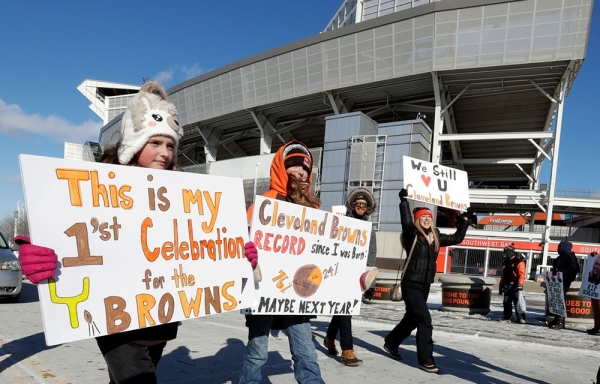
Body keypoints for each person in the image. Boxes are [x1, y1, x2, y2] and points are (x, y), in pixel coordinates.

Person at [16, 81, 259, 384]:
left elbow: (202, 249)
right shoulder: (98, 189)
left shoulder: (188, 199)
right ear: (134, 144)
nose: (164, 153)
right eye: (154, 143)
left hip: (159, 323)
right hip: (116, 325)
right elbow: (65, 228)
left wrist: (235, 253)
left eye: (170, 145)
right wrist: (37, 252)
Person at [240, 140, 324, 384]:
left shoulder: (313, 206)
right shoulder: (265, 201)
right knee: (257, 352)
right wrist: (249, 251)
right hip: (264, 291)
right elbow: (244, 238)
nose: (298, 176)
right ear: (281, 170)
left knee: (306, 351)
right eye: (293, 171)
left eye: (303, 172)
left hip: (298, 293)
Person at [382, 188, 470, 374]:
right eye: (423, 217)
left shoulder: (435, 236)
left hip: (425, 284)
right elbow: (406, 221)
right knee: (425, 320)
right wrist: (404, 201)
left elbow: (457, 237)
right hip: (411, 283)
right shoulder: (411, 234)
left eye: (429, 216)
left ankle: (391, 342)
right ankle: (426, 359)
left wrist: (464, 221)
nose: (427, 219)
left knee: (412, 319)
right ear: (417, 220)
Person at [323, 187, 377, 367]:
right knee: (346, 310)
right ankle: (347, 350)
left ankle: (330, 338)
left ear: (368, 207)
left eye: (364, 204)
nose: (361, 206)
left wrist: (372, 283)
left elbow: (371, 255)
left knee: (343, 310)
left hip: (357, 276)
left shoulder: (370, 229)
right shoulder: (343, 221)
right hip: (340, 272)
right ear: (353, 205)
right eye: (358, 203)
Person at [548, 240, 579, 330]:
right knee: (556, 300)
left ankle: (561, 321)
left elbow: (573, 269)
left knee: (560, 301)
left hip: (564, 282)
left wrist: (561, 272)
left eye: (560, 247)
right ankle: (557, 319)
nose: (558, 249)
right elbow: (555, 268)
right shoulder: (560, 258)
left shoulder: (570, 257)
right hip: (557, 282)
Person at [498, 243, 527, 324]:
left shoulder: (519, 262)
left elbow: (522, 274)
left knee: (518, 302)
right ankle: (507, 317)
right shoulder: (505, 263)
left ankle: (521, 318)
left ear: (509, 252)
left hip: (515, 286)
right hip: (507, 285)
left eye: (505, 252)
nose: (503, 254)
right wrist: (501, 285)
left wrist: (520, 285)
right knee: (506, 302)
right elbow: (503, 275)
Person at [586, 252, 600, 335]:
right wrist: (594, 255)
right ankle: (597, 326)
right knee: (595, 308)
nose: (597, 266)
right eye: (596, 264)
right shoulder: (591, 274)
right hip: (595, 292)